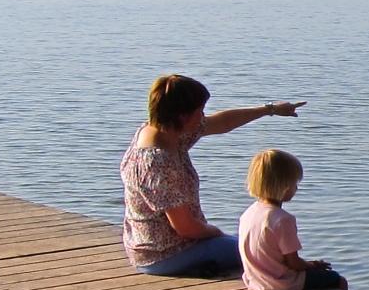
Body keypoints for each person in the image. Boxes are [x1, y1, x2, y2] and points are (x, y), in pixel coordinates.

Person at [119, 74, 304, 276]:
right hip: (165, 254)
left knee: (254, 242)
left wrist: (271, 109)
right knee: (265, 251)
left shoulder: (164, 131)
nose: (203, 117)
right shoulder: (157, 162)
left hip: (162, 246)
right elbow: (186, 228)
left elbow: (223, 122)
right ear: (183, 115)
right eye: (200, 111)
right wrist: (215, 232)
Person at [238, 148, 348, 290]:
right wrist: (312, 266)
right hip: (281, 282)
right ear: (285, 187)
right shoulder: (283, 219)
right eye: (295, 183)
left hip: (255, 280)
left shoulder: (249, 213)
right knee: (337, 279)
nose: (296, 188)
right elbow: (294, 263)